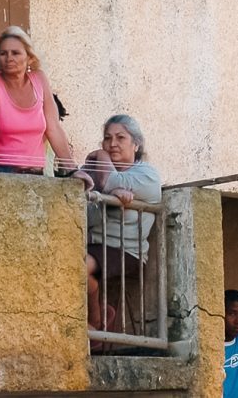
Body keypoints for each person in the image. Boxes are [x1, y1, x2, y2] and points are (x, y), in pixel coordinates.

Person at [75, 114, 162, 331]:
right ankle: (100, 312)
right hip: (94, 244)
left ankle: (95, 320)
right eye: (107, 138)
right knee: (64, 262)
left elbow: (110, 181)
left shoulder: (147, 175)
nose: (112, 144)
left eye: (120, 138)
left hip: (126, 251)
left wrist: (101, 156)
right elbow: (83, 214)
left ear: (136, 144)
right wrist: (111, 197)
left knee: (78, 265)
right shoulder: (95, 171)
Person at [0, 26, 74, 174]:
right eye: (3, 53)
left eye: (15, 53)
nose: (9, 58)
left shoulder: (39, 79)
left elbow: (53, 127)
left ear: (30, 58)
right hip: (3, 170)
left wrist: (71, 169)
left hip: (36, 172)